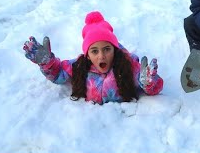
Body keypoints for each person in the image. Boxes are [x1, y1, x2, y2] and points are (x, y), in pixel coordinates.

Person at [23, 11, 164, 104]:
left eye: (107, 49)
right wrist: (48, 64)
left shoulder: (129, 66)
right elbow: (58, 74)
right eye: (94, 51)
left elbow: (153, 87)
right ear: (88, 55)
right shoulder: (79, 66)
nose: (101, 56)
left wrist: (150, 83)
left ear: (114, 50)